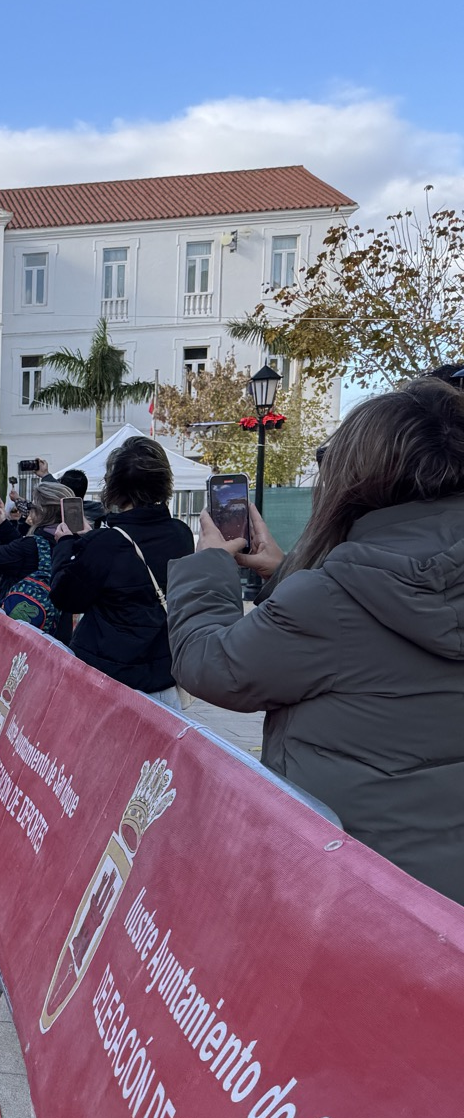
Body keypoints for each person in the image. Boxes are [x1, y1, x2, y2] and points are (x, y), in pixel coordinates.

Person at [167, 378, 464, 903]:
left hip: (359, 892)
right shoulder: (328, 596)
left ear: (355, 478)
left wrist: (209, 564)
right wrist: (285, 575)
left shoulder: (329, 600)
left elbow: (210, 664)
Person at [49, 436, 194, 701]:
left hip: (109, 684)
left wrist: (67, 543)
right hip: (164, 680)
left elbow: (65, 596)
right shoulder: (182, 535)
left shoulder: (105, 544)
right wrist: (90, 540)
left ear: (112, 486)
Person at [0, 482, 75, 638]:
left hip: (23, 635)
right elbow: (22, 549)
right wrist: (2, 523)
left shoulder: (31, 545)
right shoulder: (71, 541)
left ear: (42, 511)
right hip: (57, 631)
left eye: (32, 505)